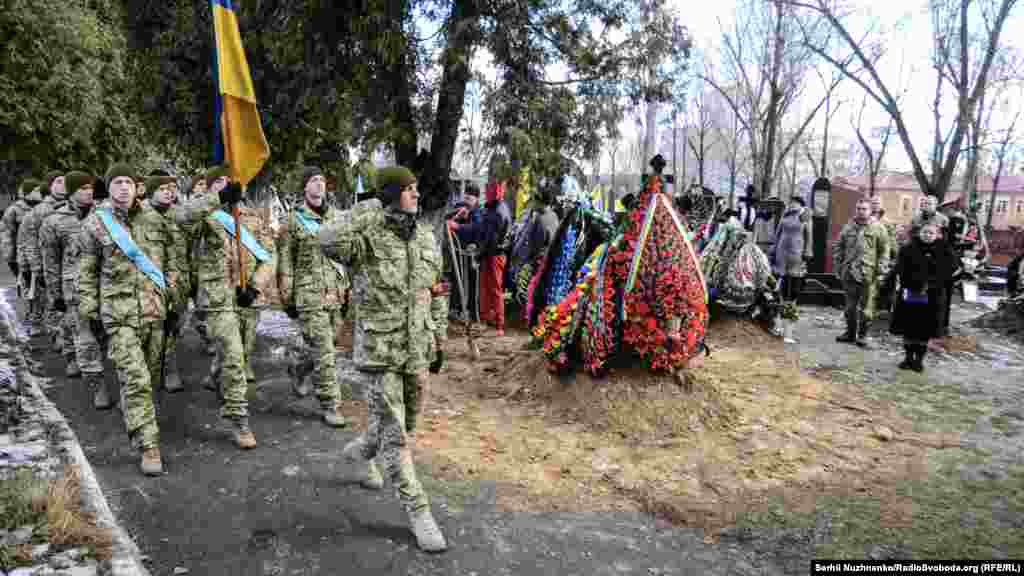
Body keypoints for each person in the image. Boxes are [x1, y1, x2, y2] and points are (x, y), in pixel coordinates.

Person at [319, 165, 450, 552]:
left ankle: (360, 451)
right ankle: (419, 512)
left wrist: (439, 340)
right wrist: (368, 206)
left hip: (416, 350)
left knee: (405, 425)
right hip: (379, 351)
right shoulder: (366, 236)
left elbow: (437, 290)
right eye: (407, 189)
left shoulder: (426, 237)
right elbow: (326, 239)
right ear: (390, 195)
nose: (416, 195)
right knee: (396, 436)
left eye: (415, 188)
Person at [79, 163, 181, 476]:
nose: (124, 187)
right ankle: (148, 446)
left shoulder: (156, 219)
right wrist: (90, 311)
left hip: (153, 312)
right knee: (136, 378)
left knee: (147, 378)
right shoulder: (97, 224)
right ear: (108, 188)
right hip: (118, 315)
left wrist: (174, 301)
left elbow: (172, 263)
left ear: (138, 187)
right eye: (118, 182)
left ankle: (137, 413)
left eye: (129, 182)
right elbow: (86, 272)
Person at [176, 166, 265, 450]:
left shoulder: (251, 217)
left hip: (245, 297)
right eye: (222, 182)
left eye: (233, 183)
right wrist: (216, 198)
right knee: (235, 354)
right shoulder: (206, 214)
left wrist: (255, 286)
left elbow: (268, 254)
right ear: (212, 186)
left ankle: (217, 377)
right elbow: (181, 217)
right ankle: (238, 419)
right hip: (216, 299)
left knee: (239, 352)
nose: (230, 186)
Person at [276, 166, 348, 426]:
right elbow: (285, 261)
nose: (319, 184)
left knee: (326, 345)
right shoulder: (293, 220)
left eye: (322, 180)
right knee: (325, 351)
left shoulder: (337, 218)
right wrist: (288, 299)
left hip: (335, 295)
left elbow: (343, 256)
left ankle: (298, 368)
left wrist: (346, 290)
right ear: (305, 187)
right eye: (313, 180)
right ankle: (331, 404)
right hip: (309, 295)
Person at [40, 172, 97, 379]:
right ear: (71, 192)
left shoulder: (104, 214)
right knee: (78, 328)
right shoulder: (54, 221)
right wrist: (55, 294)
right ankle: (74, 359)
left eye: (90, 187)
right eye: (82, 189)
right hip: (73, 284)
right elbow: (51, 260)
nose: (89, 192)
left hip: (102, 282)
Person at [448, 179, 511, 336]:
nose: (487, 193)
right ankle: (485, 320)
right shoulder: (490, 208)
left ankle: (498, 325)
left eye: (489, 190)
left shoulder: (498, 212)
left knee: (495, 289)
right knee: (484, 289)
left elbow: (488, 236)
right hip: (487, 254)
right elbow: (482, 227)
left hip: (494, 254)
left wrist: (477, 252)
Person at [890, 223, 956, 372]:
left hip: (933, 295)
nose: (927, 235)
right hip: (911, 292)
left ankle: (919, 360)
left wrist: (931, 284)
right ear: (920, 232)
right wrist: (913, 283)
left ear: (937, 235)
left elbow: (948, 271)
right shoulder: (908, 248)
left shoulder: (945, 250)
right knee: (909, 327)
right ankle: (907, 358)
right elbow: (900, 268)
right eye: (925, 232)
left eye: (931, 233)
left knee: (925, 329)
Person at [143, 174, 187, 392]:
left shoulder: (179, 214)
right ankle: (167, 368)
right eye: (163, 188)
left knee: (174, 324)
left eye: (172, 188)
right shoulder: (140, 215)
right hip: (151, 283)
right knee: (156, 329)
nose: (169, 191)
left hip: (179, 278)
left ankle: (167, 364)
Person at [832, 197, 890, 347]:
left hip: (868, 274)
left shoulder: (878, 228)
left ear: (871, 210)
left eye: (864, 209)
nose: (861, 211)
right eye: (858, 208)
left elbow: (884, 250)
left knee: (866, 309)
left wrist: (882, 269)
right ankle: (850, 333)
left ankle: (863, 335)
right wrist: (838, 266)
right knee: (849, 307)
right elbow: (839, 246)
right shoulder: (848, 227)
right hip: (850, 272)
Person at [19, 171, 66, 345]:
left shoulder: (73, 206)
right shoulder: (38, 212)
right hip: (48, 264)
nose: (63, 184)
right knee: (52, 301)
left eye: (65, 181)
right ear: (50, 186)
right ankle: (56, 336)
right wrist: (36, 268)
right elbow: (29, 242)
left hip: (69, 263)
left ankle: (66, 337)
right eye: (58, 181)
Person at [771, 195, 813, 302]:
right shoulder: (785, 214)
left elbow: (809, 235)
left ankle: (793, 301)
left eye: (794, 202)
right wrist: (774, 248)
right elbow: (778, 233)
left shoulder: (805, 214)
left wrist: (807, 250)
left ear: (800, 203)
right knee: (781, 275)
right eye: (791, 202)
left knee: (795, 276)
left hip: (797, 249)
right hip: (782, 248)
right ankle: (782, 300)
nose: (791, 204)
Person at [1, 180, 37, 280]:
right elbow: (7, 234)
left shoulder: (43, 207)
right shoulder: (14, 210)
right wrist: (10, 258)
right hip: (22, 255)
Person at [872, 195, 899, 314]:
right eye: (873, 202)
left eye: (877, 203)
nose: (875, 205)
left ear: (881, 204)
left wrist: (895, 255)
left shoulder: (887, 222)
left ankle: (882, 306)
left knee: (883, 281)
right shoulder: (862, 219)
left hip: (883, 255)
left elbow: (892, 240)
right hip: (867, 255)